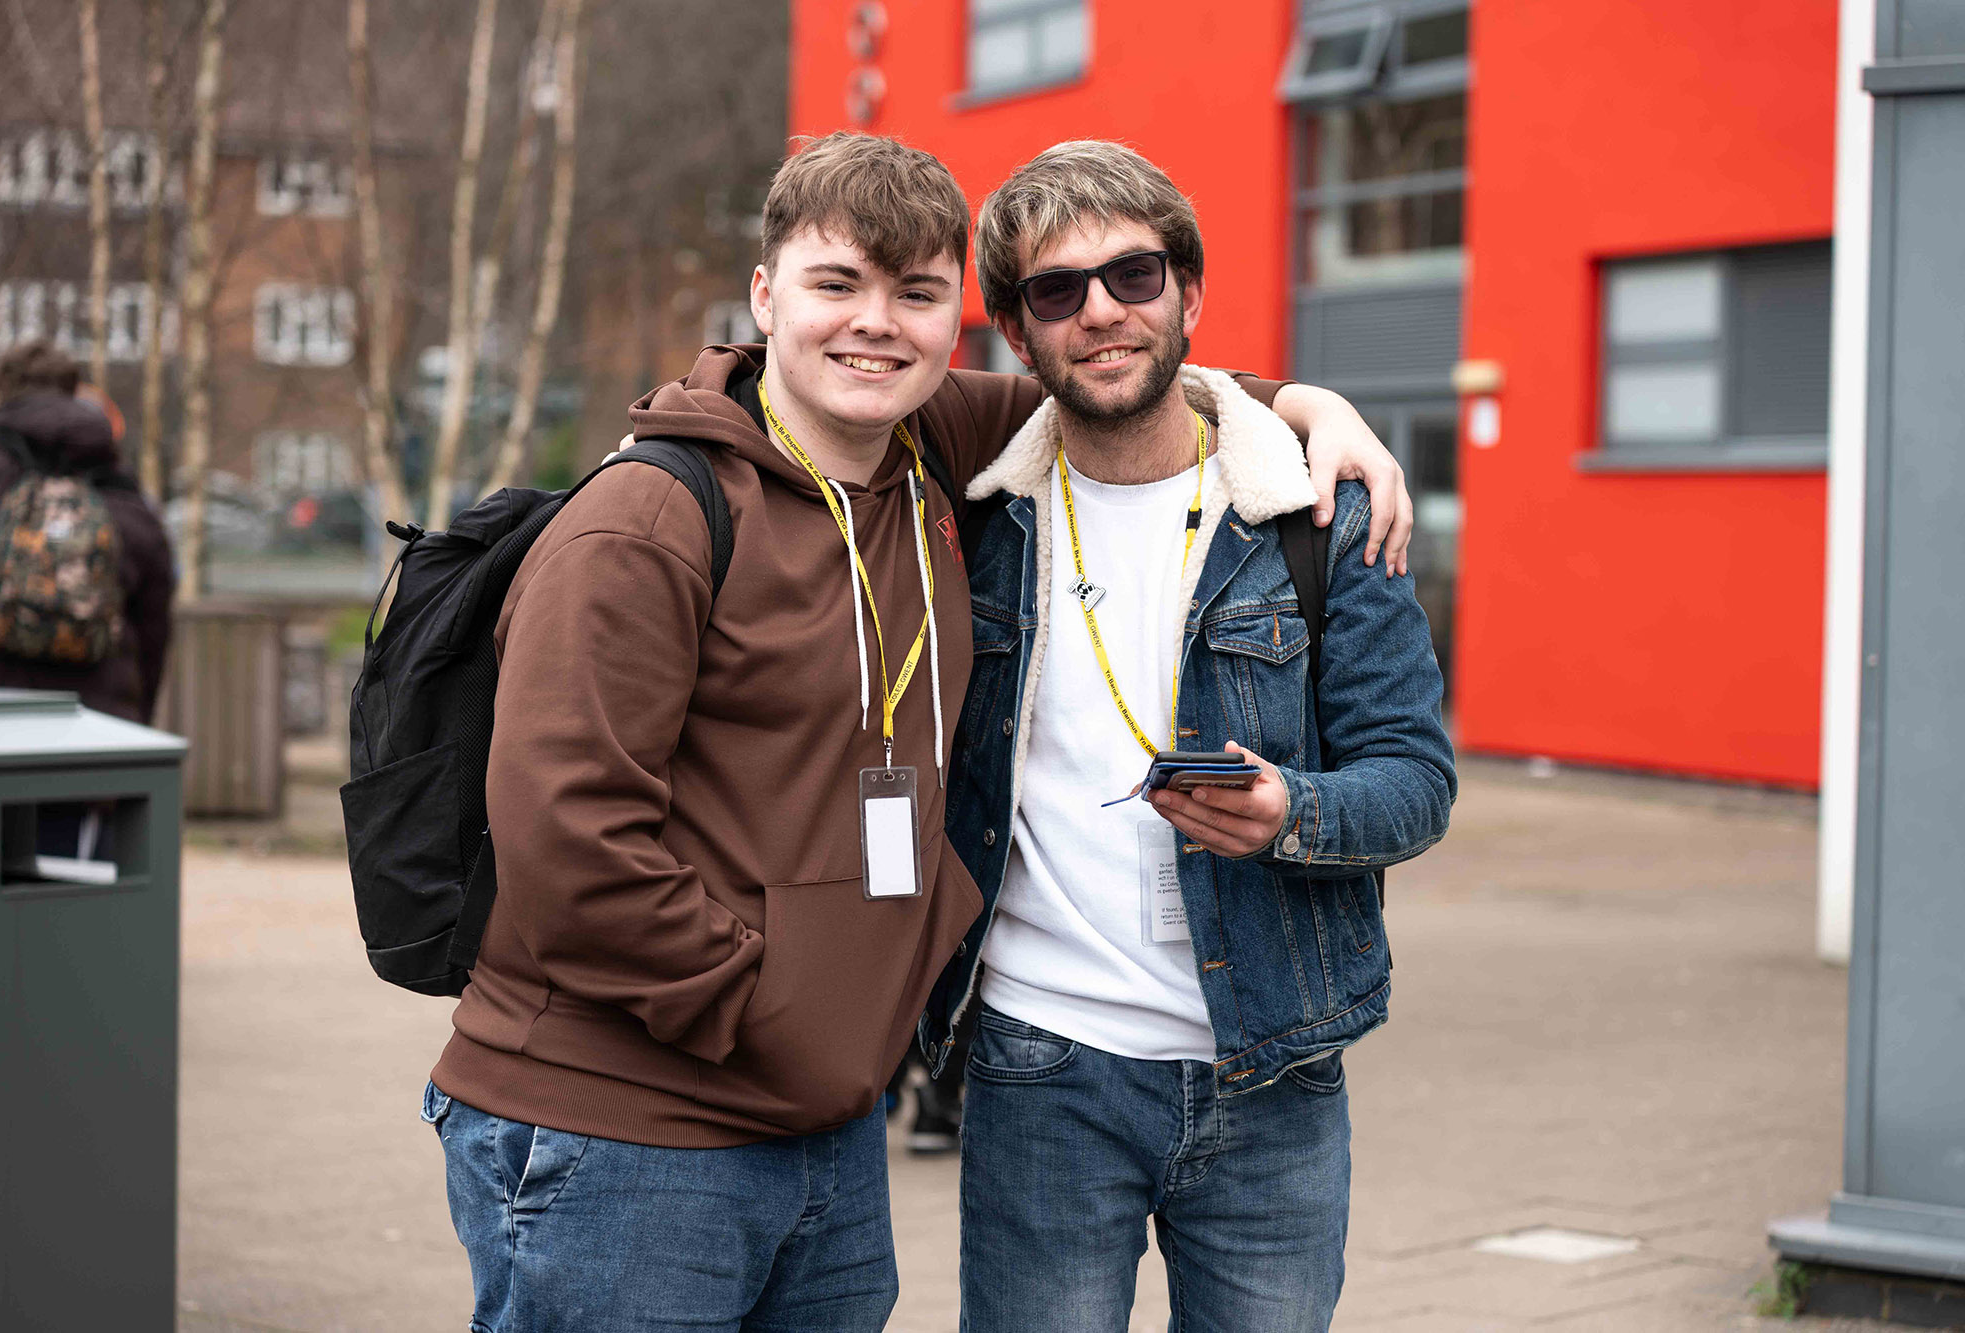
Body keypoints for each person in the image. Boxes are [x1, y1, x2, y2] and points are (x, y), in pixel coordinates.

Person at [422, 132, 1411, 1333]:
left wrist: (1315, 407)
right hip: (626, 1129)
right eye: (836, 283)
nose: (874, 325)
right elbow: (568, 842)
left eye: (914, 294)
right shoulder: (650, 520)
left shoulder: (931, 450)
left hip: (831, 1132)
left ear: (956, 329)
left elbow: (1139, 378)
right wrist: (778, 1015)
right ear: (764, 295)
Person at [925, 141, 1458, 1331]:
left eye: (1133, 274)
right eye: (1055, 290)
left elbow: (1415, 780)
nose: (1100, 311)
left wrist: (1292, 812)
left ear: (1189, 293)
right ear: (1013, 331)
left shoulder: (1319, 511)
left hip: (1273, 1062)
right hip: (1040, 1065)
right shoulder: (977, 520)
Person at [0, 341, 175, 725]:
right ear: (73, 392)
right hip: (97, 727)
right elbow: (153, 619)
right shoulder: (114, 475)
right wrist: (138, 717)